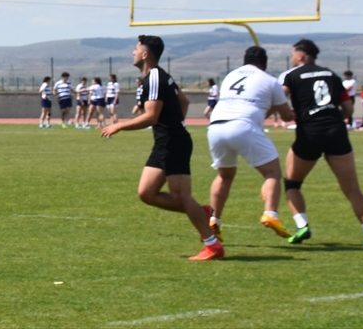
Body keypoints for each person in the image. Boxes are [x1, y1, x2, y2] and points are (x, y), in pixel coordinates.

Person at [101, 35, 222, 260]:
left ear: (145, 54)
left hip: (173, 142)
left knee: (182, 196)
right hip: (166, 142)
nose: (133, 53)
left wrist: (119, 126)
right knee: (146, 193)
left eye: (136, 49)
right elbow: (183, 101)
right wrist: (176, 124)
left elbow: (151, 117)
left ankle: (212, 245)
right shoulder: (155, 77)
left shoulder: (155, 76)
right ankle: (202, 212)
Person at [281, 39, 363, 247]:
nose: (292, 59)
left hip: (310, 133)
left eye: (293, 55)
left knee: (292, 183)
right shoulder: (331, 75)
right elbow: (348, 110)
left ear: (301, 56)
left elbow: (280, 98)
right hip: (336, 131)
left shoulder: (292, 76)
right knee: (352, 188)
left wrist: (288, 114)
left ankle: (302, 225)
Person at [205, 46, 296, 243]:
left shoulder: (230, 76)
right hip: (242, 126)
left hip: (216, 126)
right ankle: (270, 213)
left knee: (224, 176)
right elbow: (287, 115)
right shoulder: (270, 80)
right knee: (272, 172)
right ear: (265, 63)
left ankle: (214, 218)